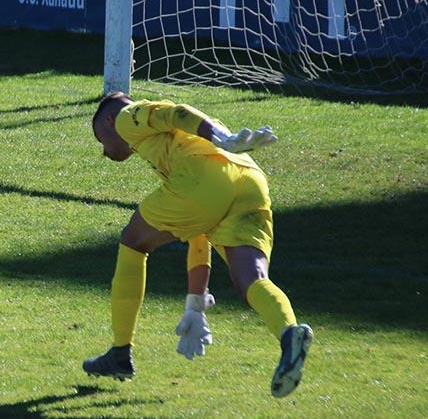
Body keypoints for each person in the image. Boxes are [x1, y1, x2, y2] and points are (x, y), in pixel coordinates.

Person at [84, 92, 313, 398]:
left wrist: (220, 136)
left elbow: (174, 112)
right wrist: (195, 303)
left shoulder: (126, 118)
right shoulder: (173, 149)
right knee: (253, 280)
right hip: (249, 178)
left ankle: (120, 353)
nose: (105, 150)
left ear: (109, 121)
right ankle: (289, 334)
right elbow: (197, 232)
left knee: (133, 241)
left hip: (208, 171)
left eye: (101, 138)